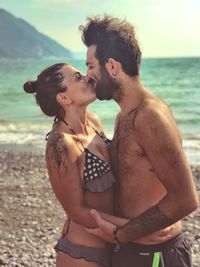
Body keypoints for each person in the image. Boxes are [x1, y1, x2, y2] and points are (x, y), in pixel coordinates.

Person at [23, 63, 172, 267]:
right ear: (64, 98)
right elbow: (77, 211)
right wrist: (137, 230)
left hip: (116, 246)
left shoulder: (94, 121)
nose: (87, 78)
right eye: (77, 77)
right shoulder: (61, 144)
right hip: (85, 255)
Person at [79, 15, 199, 267]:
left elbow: (186, 198)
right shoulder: (124, 116)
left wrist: (120, 233)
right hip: (133, 249)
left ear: (111, 66)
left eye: (91, 66)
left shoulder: (149, 116)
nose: (88, 75)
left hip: (157, 255)